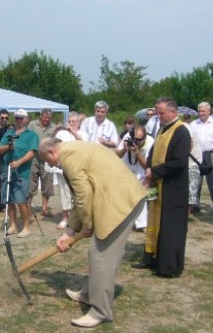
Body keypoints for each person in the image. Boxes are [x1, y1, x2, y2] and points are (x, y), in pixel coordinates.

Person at [39, 137, 146, 328]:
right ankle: (89, 294)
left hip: (122, 202)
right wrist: (71, 231)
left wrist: (87, 225)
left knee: (101, 255)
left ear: (52, 153)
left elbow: (84, 194)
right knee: (97, 252)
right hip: (119, 198)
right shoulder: (74, 149)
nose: (51, 165)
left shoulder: (68, 156)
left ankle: (100, 311)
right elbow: (79, 196)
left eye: (49, 161)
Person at [137, 97, 191, 276]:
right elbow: (153, 153)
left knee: (170, 226)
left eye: (161, 113)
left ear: (173, 112)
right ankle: (152, 258)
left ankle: (168, 267)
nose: (158, 116)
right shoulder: (162, 129)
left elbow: (179, 161)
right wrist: (150, 170)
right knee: (155, 223)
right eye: (157, 112)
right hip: (158, 184)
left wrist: (156, 172)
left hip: (173, 187)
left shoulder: (181, 131)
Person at [0, 109, 39, 237]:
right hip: (7, 170)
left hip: (22, 172)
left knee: (21, 201)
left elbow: (32, 152)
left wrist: (19, 162)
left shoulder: (31, 135)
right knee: (8, 200)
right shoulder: (9, 133)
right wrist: (9, 147)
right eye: (17, 118)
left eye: (21, 118)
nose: (19, 120)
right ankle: (13, 225)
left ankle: (26, 227)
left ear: (27, 119)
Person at [52, 111, 88, 229]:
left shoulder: (83, 133)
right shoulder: (61, 133)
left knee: (78, 193)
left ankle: (79, 219)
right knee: (63, 193)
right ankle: (65, 218)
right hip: (62, 167)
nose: (71, 123)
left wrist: (72, 131)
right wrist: (56, 129)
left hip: (78, 168)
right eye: (70, 121)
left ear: (79, 122)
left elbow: (83, 142)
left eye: (74, 121)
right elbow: (51, 140)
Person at [116, 124, 154, 234]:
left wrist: (137, 151)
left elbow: (146, 166)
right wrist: (124, 148)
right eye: (134, 139)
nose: (135, 141)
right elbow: (117, 154)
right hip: (126, 164)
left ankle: (142, 224)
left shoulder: (150, 142)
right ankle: (121, 220)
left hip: (141, 166)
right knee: (121, 193)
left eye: (139, 140)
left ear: (144, 138)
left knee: (140, 193)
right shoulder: (128, 137)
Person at [190, 102, 213, 213]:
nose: (201, 113)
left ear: (209, 111)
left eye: (203, 111)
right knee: (196, 180)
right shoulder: (193, 124)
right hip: (198, 154)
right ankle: (195, 204)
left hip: (212, 153)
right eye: (199, 111)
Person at [27, 108, 57, 216]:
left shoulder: (54, 127)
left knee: (47, 185)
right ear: (40, 116)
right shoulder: (32, 124)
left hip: (47, 161)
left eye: (49, 118)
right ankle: (28, 208)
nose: (46, 119)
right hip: (33, 159)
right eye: (45, 117)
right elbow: (28, 138)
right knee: (30, 185)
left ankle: (44, 208)